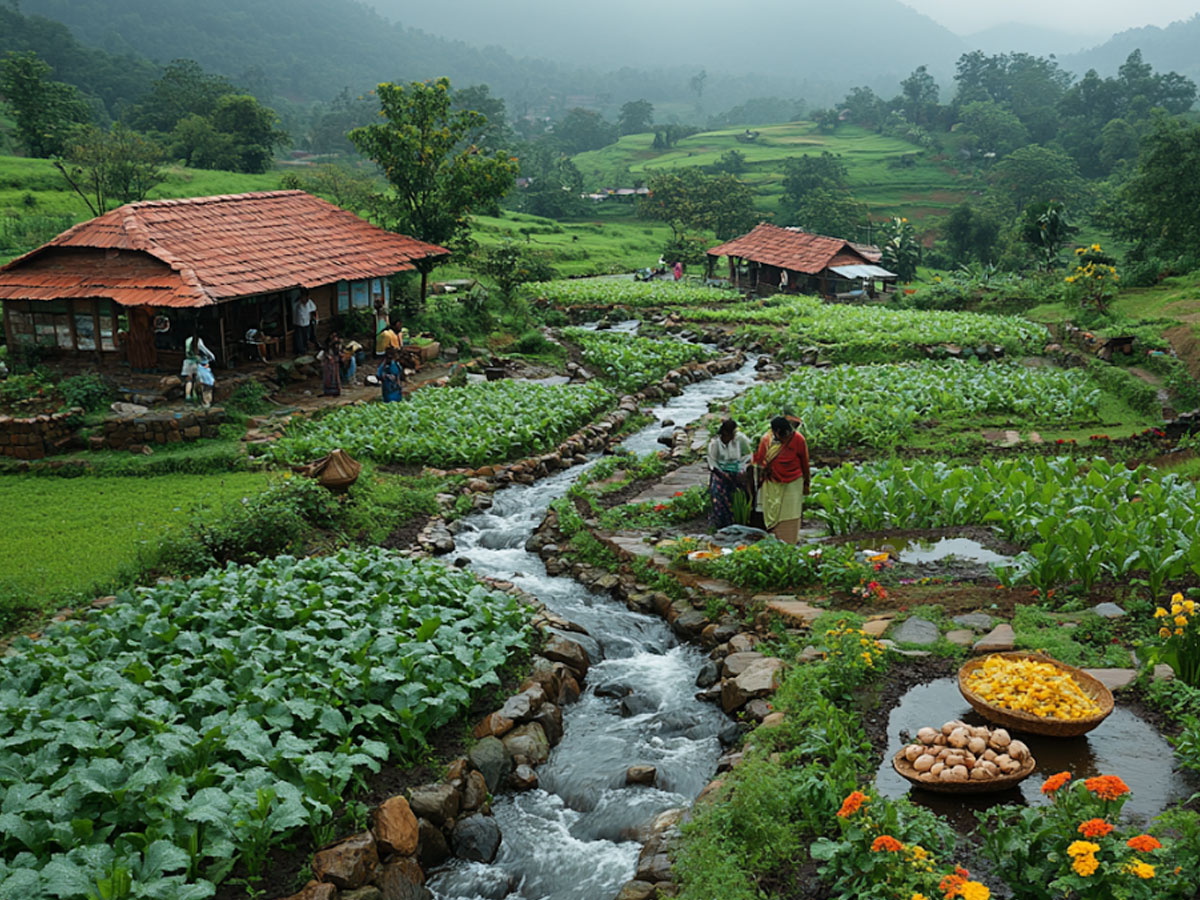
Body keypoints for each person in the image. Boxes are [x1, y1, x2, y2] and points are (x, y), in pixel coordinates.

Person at [752, 415, 811, 545]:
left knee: (791, 513)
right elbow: (760, 461)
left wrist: (807, 482)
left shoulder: (798, 439)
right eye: (783, 435)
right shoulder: (766, 441)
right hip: (773, 481)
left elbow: (804, 462)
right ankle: (777, 540)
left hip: (793, 481)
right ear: (776, 432)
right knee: (773, 511)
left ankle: (790, 540)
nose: (786, 438)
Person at [707, 418, 752, 530]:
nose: (734, 435)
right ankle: (723, 522)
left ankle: (742, 520)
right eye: (732, 433)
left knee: (743, 492)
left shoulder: (740, 439)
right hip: (720, 472)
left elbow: (748, 455)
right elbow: (712, 463)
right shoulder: (715, 444)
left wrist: (744, 469)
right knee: (718, 492)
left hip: (737, 470)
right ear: (725, 433)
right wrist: (723, 474)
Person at [181, 329, 215, 403]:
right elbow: (205, 350)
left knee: (189, 381)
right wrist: (212, 357)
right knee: (198, 381)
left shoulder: (187, 340)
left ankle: (188, 396)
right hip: (196, 363)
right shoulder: (198, 341)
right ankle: (198, 397)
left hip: (187, 362)